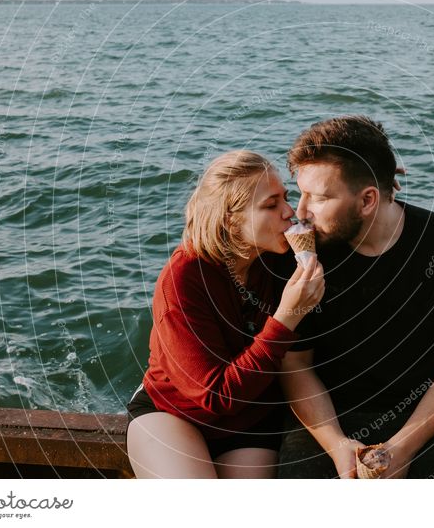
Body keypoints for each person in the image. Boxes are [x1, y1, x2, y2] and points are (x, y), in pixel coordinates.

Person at [277, 116, 434, 479]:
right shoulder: (307, 256)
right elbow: (296, 365)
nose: (300, 212)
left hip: (428, 417)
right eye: (300, 193)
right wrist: (337, 444)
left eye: (319, 197)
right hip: (328, 417)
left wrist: (403, 447)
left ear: (367, 200)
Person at [127, 150, 324, 478]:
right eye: (270, 204)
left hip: (251, 419)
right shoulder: (185, 277)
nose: (290, 212)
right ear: (230, 218)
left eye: (285, 198)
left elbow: (346, 222)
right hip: (173, 413)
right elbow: (215, 395)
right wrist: (287, 317)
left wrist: (374, 178)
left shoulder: (279, 258)